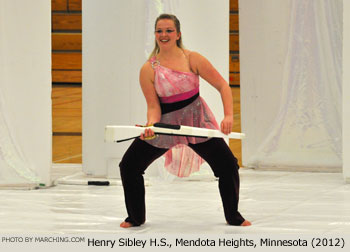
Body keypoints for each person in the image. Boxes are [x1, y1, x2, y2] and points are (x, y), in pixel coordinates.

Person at [119, 13, 251, 228]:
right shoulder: (148, 69)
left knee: (228, 166)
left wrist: (228, 115)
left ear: (178, 34)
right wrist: (151, 127)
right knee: (129, 165)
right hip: (166, 124)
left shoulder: (193, 59)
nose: (164, 34)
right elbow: (153, 106)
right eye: (159, 30)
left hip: (198, 121)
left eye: (169, 30)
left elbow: (223, 86)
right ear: (155, 34)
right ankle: (135, 217)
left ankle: (233, 216)